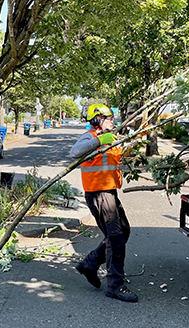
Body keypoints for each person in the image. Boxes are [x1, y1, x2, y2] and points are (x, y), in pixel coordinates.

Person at [70, 103, 138, 303]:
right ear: (96, 119)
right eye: (107, 117)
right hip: (98, 194)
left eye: (111, 117)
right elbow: (75, 152)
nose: (111, 121)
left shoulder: (110, 138)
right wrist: (100, 139)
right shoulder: (90, 136)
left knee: (123, 231)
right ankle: (115, 286)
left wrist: (131, 143)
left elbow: (115, 156)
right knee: (116, 238)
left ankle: (89, 264)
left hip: (109, 192)